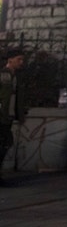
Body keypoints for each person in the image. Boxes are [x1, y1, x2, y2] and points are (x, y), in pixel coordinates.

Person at [0, 48, 26, 184]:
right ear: (10, 60)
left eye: (22, 59)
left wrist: (19, 114)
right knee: (5, 142)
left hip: (8, 116)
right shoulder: (3, 75)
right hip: (2, 115)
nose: (21, 62)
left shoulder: (16, 77)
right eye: (18, 59)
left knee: (6, 142)